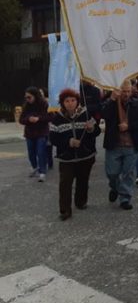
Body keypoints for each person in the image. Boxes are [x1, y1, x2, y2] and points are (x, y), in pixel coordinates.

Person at [48, 88, 100, 220]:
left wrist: (91, 128)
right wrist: (68, 142)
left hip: (85, 155)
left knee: (83, 181)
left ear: (77, 101)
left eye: (73, 100)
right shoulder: (57, 119)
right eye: (67, 101)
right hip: (67, 158)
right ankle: (65, 210)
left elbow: (97, 131)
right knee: (65, 184)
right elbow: (53, 138)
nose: (70, 103)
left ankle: (81, 202)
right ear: (62, 103)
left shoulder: (86, 114)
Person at [101, 80, 138, 210]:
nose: (126, 94)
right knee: (112, 172)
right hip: (114, 144)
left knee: (128, 172)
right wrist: (112, 99)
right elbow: (103, 114)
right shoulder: (110, 103)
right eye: (124, 91)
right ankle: (114, 187)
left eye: (129, 91)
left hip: (131, 145)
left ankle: (125, 198)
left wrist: (129, 126)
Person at [19, 86, 50, 182]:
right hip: (29, 133)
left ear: (35, 96)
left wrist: (38, 119)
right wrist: (28, 119)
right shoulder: (26, 106)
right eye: (26, 98)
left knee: (41, 152)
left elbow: (50, 117)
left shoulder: (44, 104)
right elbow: (21, 120)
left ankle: (42, 172)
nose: (27, 99)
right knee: (31, 153)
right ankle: (34, 167)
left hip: (41, 132)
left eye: (29, 97)